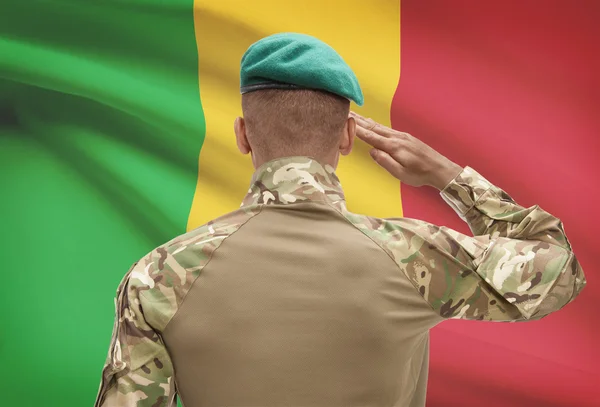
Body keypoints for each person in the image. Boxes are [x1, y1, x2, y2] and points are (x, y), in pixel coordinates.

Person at [94, 33, 586, 407]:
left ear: (243, 135)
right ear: (349, 136)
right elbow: (559, 267)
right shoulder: (416, 256)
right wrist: (446, 175)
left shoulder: (158, 275)